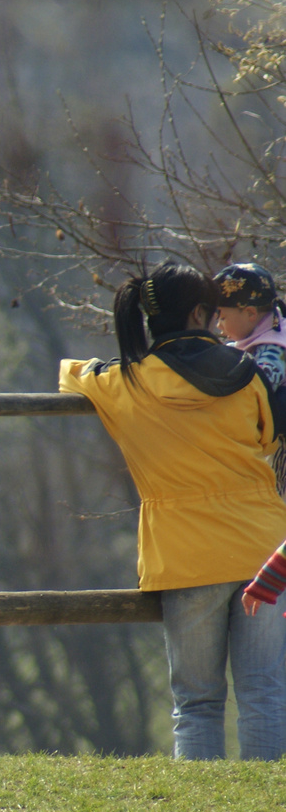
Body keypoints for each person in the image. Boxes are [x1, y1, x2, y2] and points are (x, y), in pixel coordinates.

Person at [59, 261, 286, 760]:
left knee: (197, 701)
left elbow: (71, 375)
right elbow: (268, 437)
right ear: (202, 313)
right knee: (265, 693)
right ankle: (267, 808)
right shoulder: (247, 375)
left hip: (184, 554)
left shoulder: (123, 383)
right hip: (262, 548)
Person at [214, 262, 286, 495]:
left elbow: (259, 386)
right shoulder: (263, 336)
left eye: (223, 317)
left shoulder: (276, 347)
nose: (218, 325)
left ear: (250, 313)